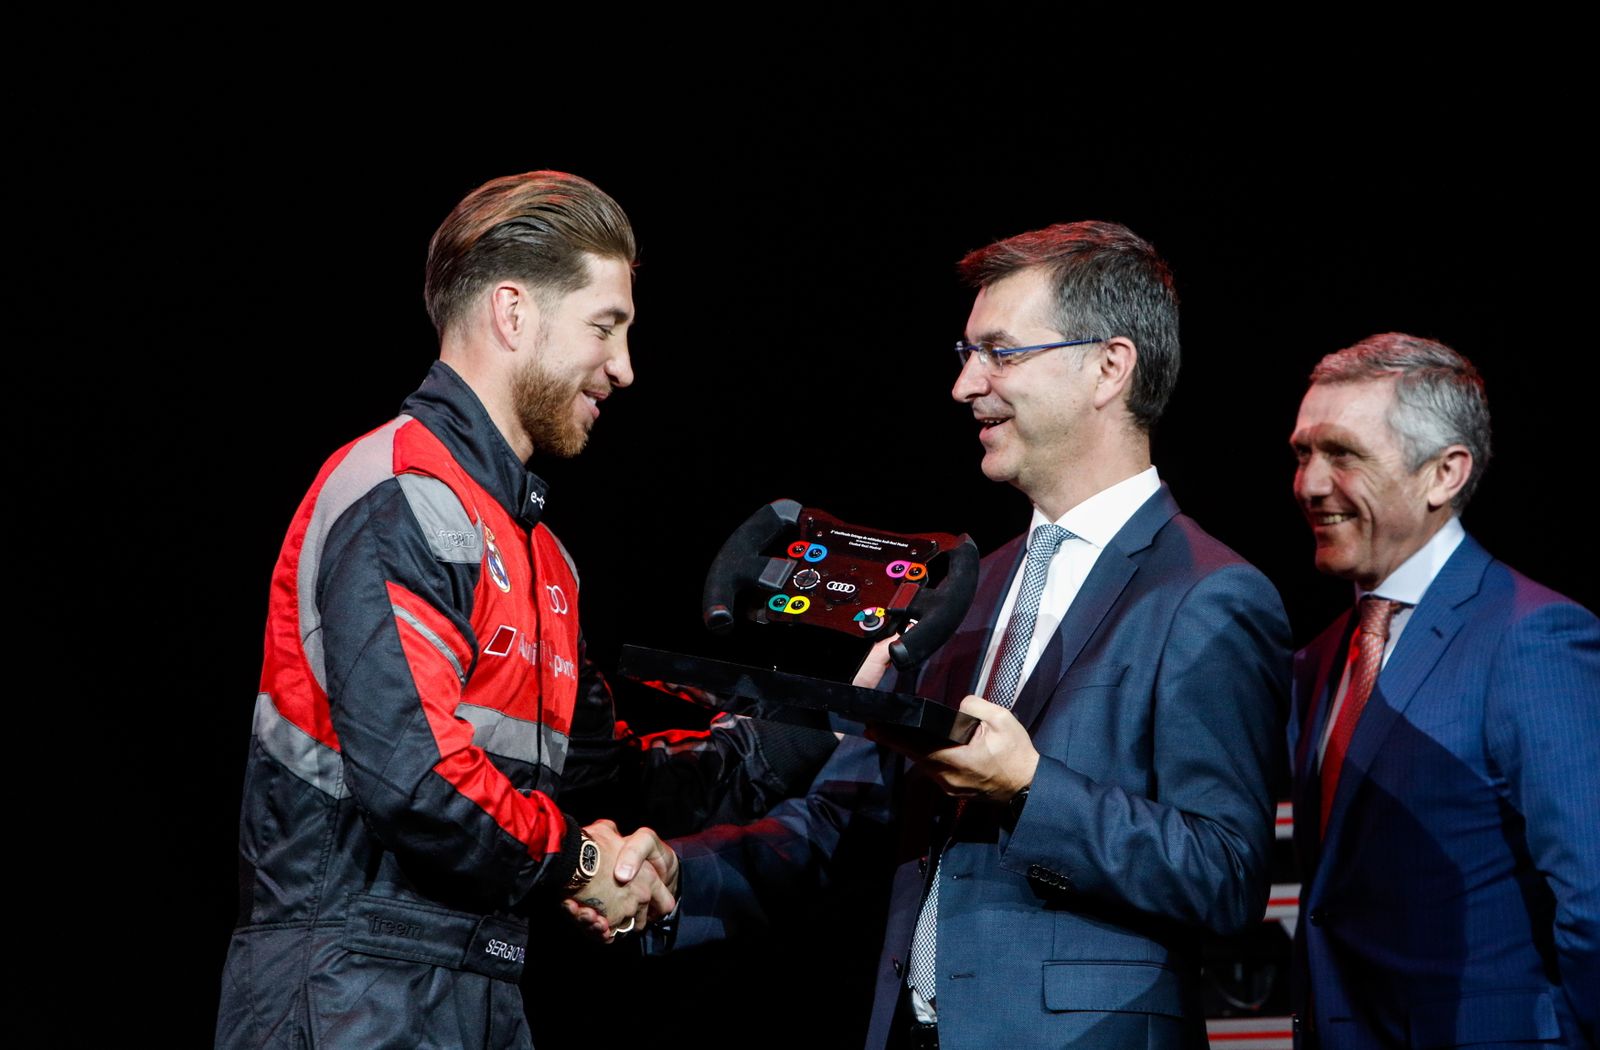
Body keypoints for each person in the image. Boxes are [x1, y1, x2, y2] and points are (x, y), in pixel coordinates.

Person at [614, 221, 1291, 1049]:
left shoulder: (1208, 594)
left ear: (1110, 367)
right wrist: (679, 875)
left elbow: (1225, 876)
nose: (967, 385)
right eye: (967, 353)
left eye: (1000, 352)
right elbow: (844, 813)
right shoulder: (966, 591)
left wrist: (1031, 788)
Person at [215, 171, 837, 1049]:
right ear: (513, 313)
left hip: (480, 985)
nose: (624, 367)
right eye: (605, 326)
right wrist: (588, 864)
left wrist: (808, 731)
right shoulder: (401, 491)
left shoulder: (541, 554)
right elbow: (419, 784)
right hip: (344, 991)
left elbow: (597, 778)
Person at [1287, 333, 1599, 1048]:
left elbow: (1594, 903)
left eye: (1342, 453)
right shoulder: (1319, 660)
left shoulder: (1533, 637)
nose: (1308, 483)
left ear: (1444, 474)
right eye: (1303, 453)